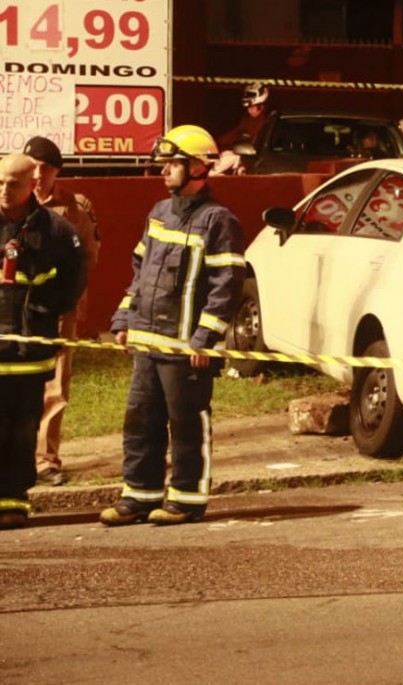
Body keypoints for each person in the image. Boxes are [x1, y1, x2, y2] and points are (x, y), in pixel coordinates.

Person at [100, 125, 245, 527]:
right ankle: (139, 496)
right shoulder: (159, 213)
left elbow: (226, 287)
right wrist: (124, 318)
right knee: (140, 422)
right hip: (148, 343)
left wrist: (204, 339)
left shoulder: (218, 221)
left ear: (198, 167)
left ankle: (186, 499)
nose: (164, 170)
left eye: (173, 163)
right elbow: (141, 272)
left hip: (186, 350)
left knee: (186, 425)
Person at [0, 153, 86, 530]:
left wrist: (46, 313)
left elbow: (74, 278)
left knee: (21, 429)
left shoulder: (55, 230)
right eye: (0, 182)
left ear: (31, 185)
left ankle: (13, 502)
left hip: (28, 351)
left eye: (13, 183)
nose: (4, 190)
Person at [21, 137, 100, 487]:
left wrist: (67, 300)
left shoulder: (76, 207)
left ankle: (45, 459)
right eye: (33, 167)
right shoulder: (9, 199)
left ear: (57, 172)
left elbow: (88, 258)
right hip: (12, 310)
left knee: (54, 386)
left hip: (57, 310)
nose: (39, 175)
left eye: (46, 169)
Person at [218, 81, 272, 150]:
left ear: (261, 107)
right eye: (248, 108)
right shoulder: (247, 120)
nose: (249, 111)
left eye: (251, 107)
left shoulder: (269, 122)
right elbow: (234, 134)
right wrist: (220, 143)